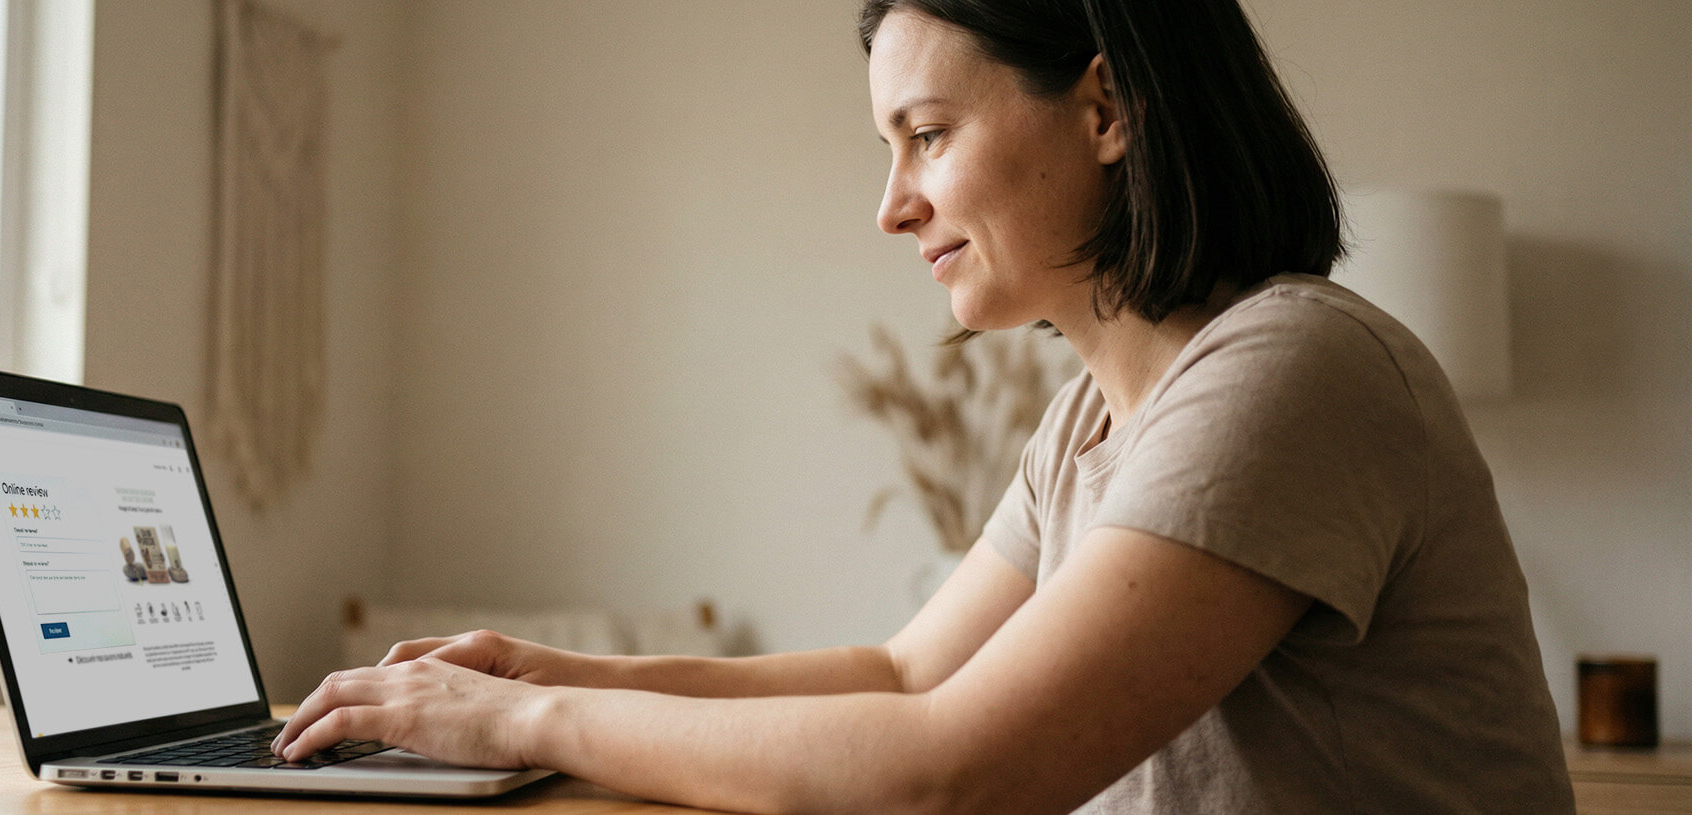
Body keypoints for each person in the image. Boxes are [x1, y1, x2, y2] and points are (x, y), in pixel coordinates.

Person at [274, 0, 1575, 811]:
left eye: (927, 136)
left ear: (1110, 105)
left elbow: (962, 770)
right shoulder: (1093, 422)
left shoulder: (1294, 370)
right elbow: (902, 672)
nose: (891, 204)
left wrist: (525, 722)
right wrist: (555, 668)